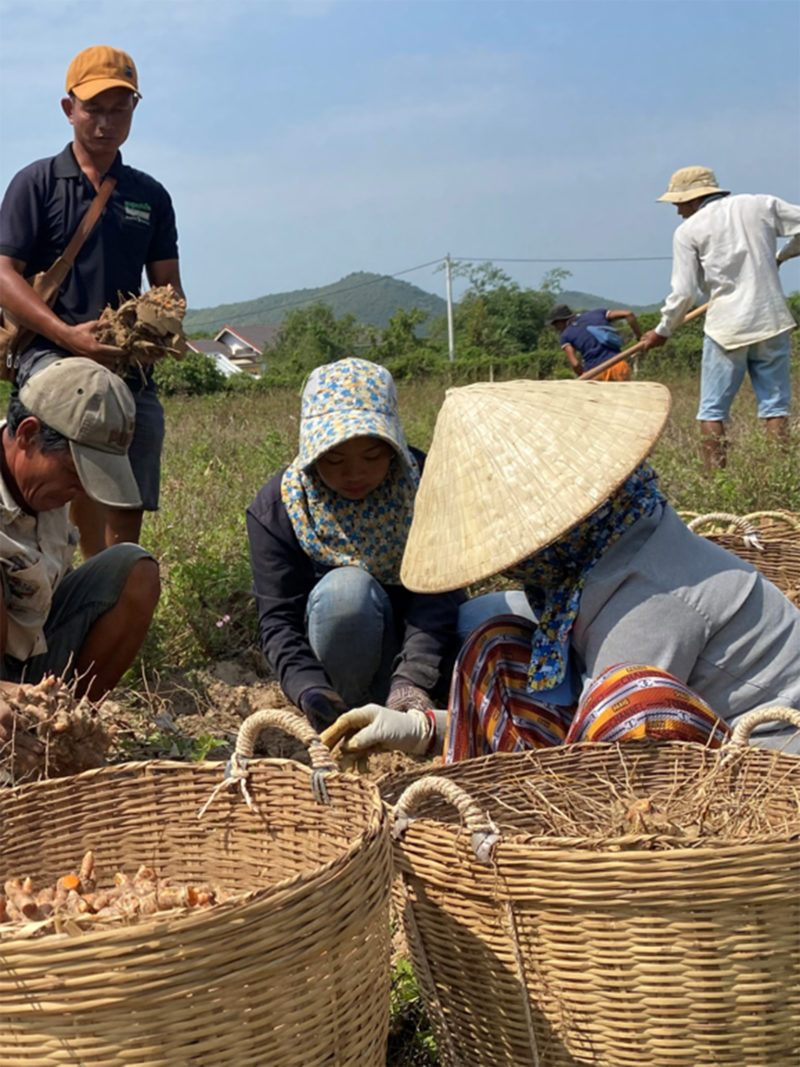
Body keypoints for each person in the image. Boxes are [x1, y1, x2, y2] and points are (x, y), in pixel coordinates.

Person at [329, 379, 800, 761]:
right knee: (494, 645)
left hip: (768, 754)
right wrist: (421, 726)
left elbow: (596, 745)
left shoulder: (649, 598)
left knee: (627, 698)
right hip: (699, 722)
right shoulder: (605, 549)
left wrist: (426, 735)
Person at [0, 44, 184, 556]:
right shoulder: (35, 183)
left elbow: (169, 285)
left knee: (138, 439)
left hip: (124, 366)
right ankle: (56, 576)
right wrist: (65, 335)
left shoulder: (150, 195)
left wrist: (161, 327)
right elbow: (3, 275)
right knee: (66, 462)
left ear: (133, 110)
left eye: (118, 108)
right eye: (93, 108)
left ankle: (119, 580)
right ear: (69, 110)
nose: (105, 121)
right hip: (52, 356)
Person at [246, 357, 464, 732]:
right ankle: (354, 714)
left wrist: (412, 681)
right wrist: (310, 689)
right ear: (311, 451)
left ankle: (417, 714)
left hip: (426, 654)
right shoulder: (280, 507)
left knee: (495, 613)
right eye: (333, 459)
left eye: (372, 455)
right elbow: (278, 621)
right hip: (341, 665)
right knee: (346, 592)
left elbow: (438, 593)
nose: (355, 474)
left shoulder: (424, 484)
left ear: (393, 444)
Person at [0, 357, 160, 761]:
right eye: (74, 473)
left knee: (134, 572)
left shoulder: (50, 489)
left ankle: (59, 740)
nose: (78, 490)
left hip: (29, 661)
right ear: (28, 435)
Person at [639, 166, 800, 470]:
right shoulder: (760, 204)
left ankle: (716, 483)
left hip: (727, 326)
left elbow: (684, 293)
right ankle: (781, 478)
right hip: (771, 319)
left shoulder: (688, 231)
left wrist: (663, 331)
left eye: (678, 203)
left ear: (693, 198)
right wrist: (781, 257)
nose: (677, 211)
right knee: (775, 408)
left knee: (712, 411)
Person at [547, 303, 642, 380]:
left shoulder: (565, 335)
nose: (556, 329)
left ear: (560, 321)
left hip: (594, 372)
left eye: (555, 325)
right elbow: (628, 314)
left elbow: (575, 364)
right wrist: (639, 338)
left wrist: (583, 376)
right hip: (618, 365)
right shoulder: (598, 313)